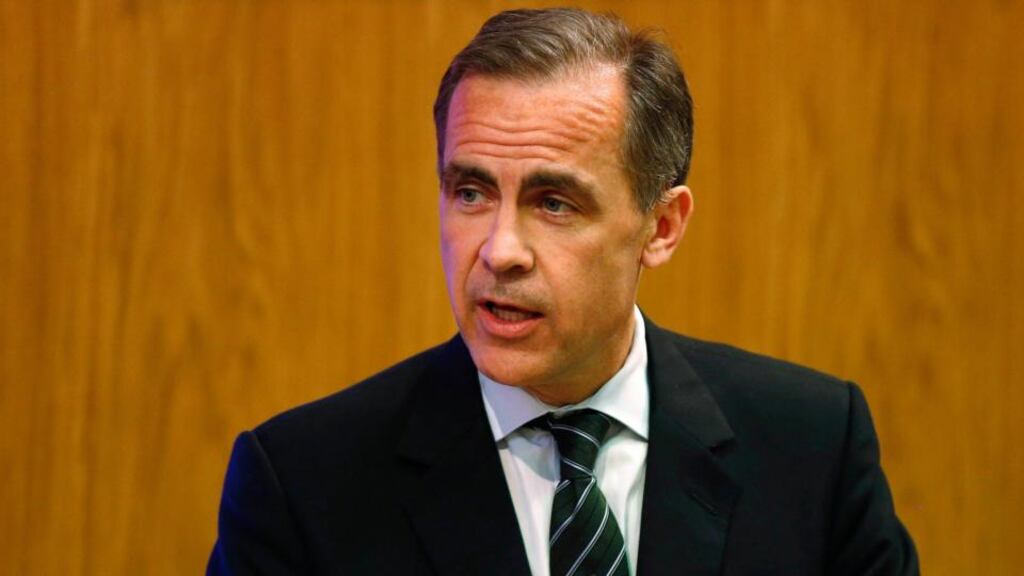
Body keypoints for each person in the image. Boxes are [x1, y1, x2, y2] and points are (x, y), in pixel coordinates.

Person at [208, 8, 918, 576]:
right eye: (471, 191)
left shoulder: (811, 446)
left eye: (554, 203)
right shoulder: (304, 485)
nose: (500, 251)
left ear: (662, 227)